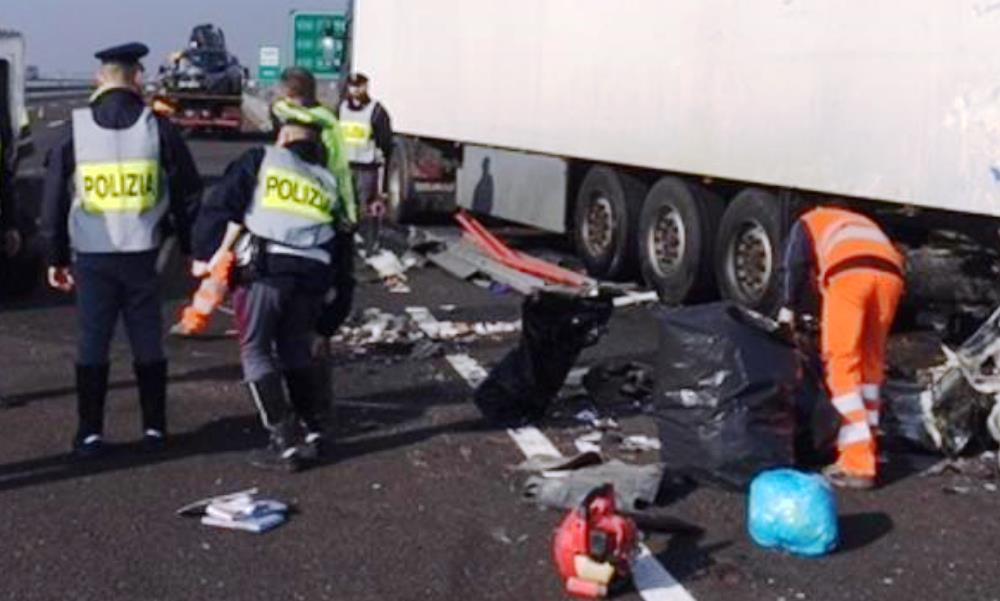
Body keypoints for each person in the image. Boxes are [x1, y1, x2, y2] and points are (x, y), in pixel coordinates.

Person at [40, 42, 203, 457]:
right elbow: (188, 194)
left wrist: (55, 256)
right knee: (147, 339)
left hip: (93, 255)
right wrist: (190, 248)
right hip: (143, 253)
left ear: (100, 78)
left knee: (93, 342)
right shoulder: (158, 127)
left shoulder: (73, 131)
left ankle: (90, 433)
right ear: (137, 77)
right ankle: (155, 430)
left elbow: (54, 200)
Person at [191, 110, 354, 472]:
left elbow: (223, 203)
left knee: (256, 350)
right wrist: (336, 310)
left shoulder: (263, 159)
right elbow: (343, 242)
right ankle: (314, 431)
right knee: (295, 349)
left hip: (266, 272)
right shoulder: (327, 180)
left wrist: (204, 253)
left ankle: (283, 442)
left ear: (282, 138)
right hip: (312, 278)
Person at [172, 67, 356, 337]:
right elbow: (339, 167)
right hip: (308, 202)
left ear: (290, 94)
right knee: (315, 274)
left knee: (231, 260)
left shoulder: (308, 120)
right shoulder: (319, 120)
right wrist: (346, 211)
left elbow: (331, 165)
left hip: (277, 196)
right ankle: (305, 335)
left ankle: (201, 319)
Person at [778, 204, 905, 490]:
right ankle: (868, 446)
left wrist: (788, 308)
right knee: (870, 365)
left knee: (841, 361)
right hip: (890, 276)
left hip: (850, 275)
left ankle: (856, 463)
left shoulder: (807, 222)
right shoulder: (855, 221)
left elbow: (793, 264)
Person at [337, 72, 392, 246]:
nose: (355, 90)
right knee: (346, 206)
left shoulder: (376, 111)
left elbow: (385, 141)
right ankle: (347, 241)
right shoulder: (341, 108)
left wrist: (384, 161)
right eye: (352, 86)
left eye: (359, 86)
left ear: (366, 87)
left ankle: (368, 242)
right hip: (346, 166)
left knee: (367, 208)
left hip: (367, 167)